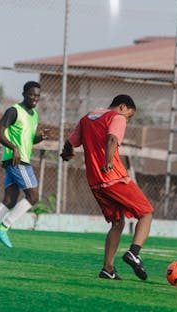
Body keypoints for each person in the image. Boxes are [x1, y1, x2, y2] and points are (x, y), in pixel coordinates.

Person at [60, 94, 154, 280]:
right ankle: (134, 253)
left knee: (117, 222)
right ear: (122, 107)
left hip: (95, 182)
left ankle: (107, 269)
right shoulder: (117, 117)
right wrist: (108, 160)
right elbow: (112, 139)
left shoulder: (87, 117)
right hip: (114, 178)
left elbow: (70, 144)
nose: (127, 119)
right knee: (146, 213)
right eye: (129, 115)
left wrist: (66, 155)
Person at [0, 81, 49, 248]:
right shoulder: (14, 111)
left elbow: (28, 139)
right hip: (18, 161)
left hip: (17, 160)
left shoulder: (34, 114)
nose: (35, 98)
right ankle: (5, 226)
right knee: (33, 197)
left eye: (37, 96)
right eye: (31, 94)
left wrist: (39, 137)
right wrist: (13, 148)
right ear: (24, 94)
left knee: (10, 200)